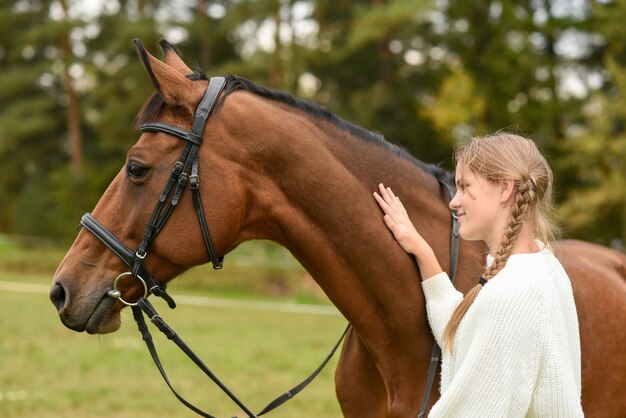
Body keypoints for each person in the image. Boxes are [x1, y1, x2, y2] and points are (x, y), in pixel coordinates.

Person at [373, 133, 584, 417]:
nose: (453, 202)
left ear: (505, 190)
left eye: (464, 186)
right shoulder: (545, 267)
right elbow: (467, 338)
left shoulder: (510, 296)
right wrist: (422, 251)